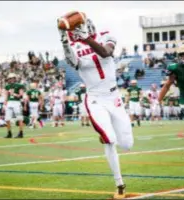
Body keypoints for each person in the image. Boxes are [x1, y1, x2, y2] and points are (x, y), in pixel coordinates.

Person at [58, 17, 133, 198]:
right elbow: (73, 61)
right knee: (110, 140)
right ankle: (119, 183)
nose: (81, 28)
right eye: (77, 27)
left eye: (81, 25)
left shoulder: (106, 35)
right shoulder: (74, 45)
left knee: (127, 145)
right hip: (95, 98)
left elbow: (106, 52)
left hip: (114, 97)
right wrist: (64, 43)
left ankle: (105, 134)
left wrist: (87, 40)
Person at [4, 73, 25, 138]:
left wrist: (14, 94)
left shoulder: (19, 85)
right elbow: (6, 95)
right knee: (7, 119)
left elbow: (21, 95)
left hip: (16, 102)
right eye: (10, 78)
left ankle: (21, 133)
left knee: (19, 118)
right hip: (9, 103)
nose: (11, 79)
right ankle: (9, 133)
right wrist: (5, 103)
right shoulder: (7, 86)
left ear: (15, 78)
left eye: (12, 78)